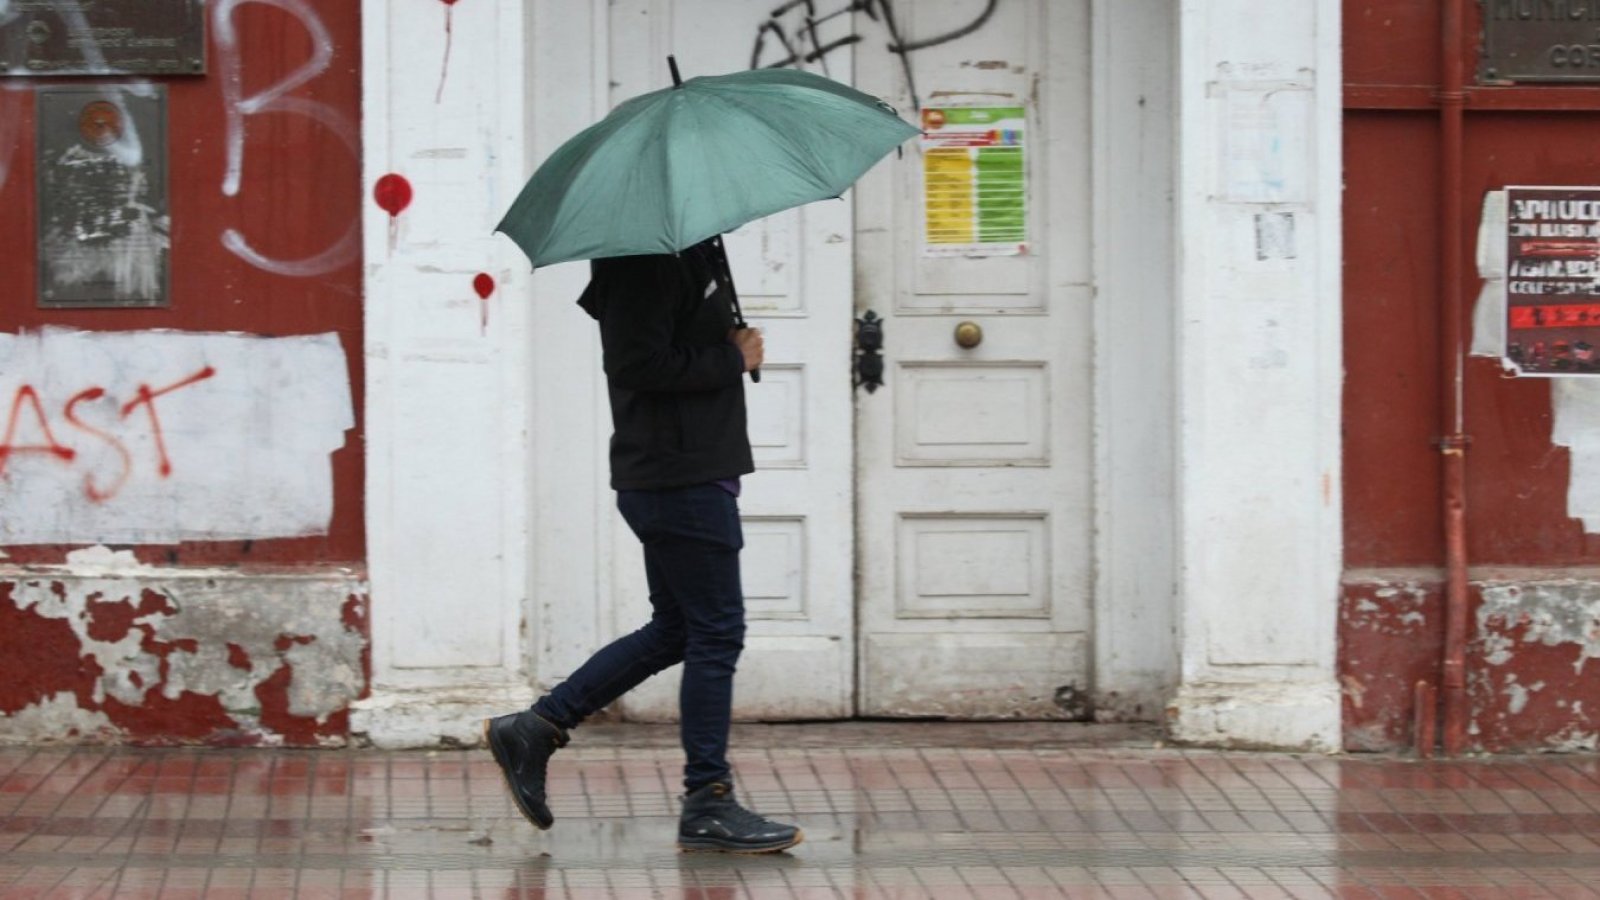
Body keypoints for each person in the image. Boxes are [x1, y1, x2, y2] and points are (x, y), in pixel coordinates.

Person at [483, 238, 803, 854]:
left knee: (679, 630)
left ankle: (536, 728)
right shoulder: (645, 258)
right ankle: (707, 801)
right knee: (716, 633)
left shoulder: (693, 250)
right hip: (677, 478)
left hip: (690, 473)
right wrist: (728, 360)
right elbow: (634, 362)